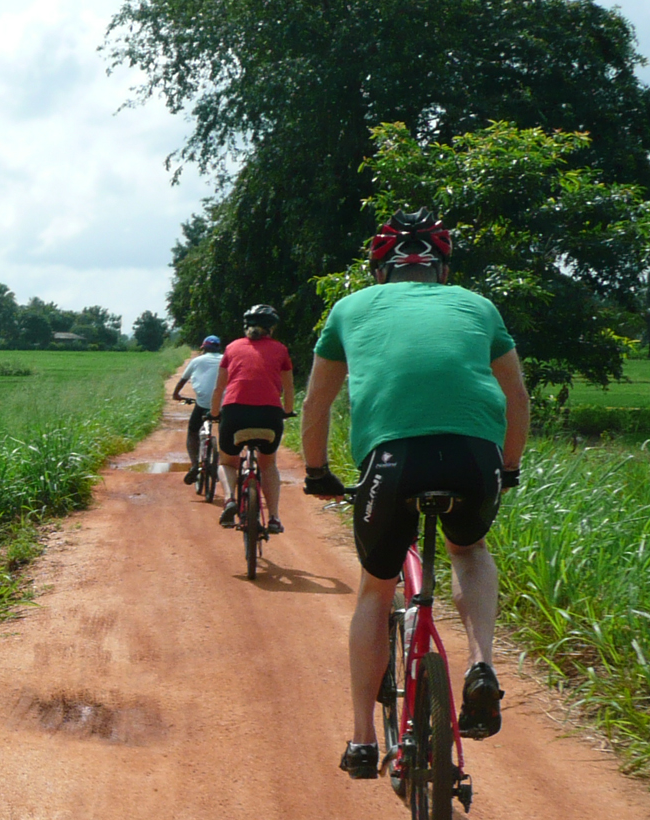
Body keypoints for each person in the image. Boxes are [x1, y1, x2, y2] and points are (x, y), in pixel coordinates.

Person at [299, 207, 530, 780]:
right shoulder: (478, 306)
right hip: (474, 456)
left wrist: (316, 472)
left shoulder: (349, 308)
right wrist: (508, 469)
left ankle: (360, 742)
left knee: (376, 590)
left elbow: (316, 404)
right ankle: (481, 665)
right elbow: (518, 397)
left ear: (381, 271)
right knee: (469, 551)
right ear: (440, 269)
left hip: (393, 461)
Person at [212, 305, 295, 532]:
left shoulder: (231, 348)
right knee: (268, 465)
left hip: (234, 411)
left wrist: (214, 414)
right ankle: (275, 518)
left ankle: (229, 499)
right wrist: (287, 411)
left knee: (228, 462)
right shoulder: (280, 349)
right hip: (269, 414)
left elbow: (220, 388)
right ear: (271, 328)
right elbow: (288, 389)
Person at [171, 336, 226, 485]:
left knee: (193, 432)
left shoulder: (196, 361)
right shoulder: (226, 359)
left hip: (203, 404)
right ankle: (223, 464)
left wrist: (176, 395)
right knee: (226, 433)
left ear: (204, 348)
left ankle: (195, 464)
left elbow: (182, 380)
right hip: (224, 403)